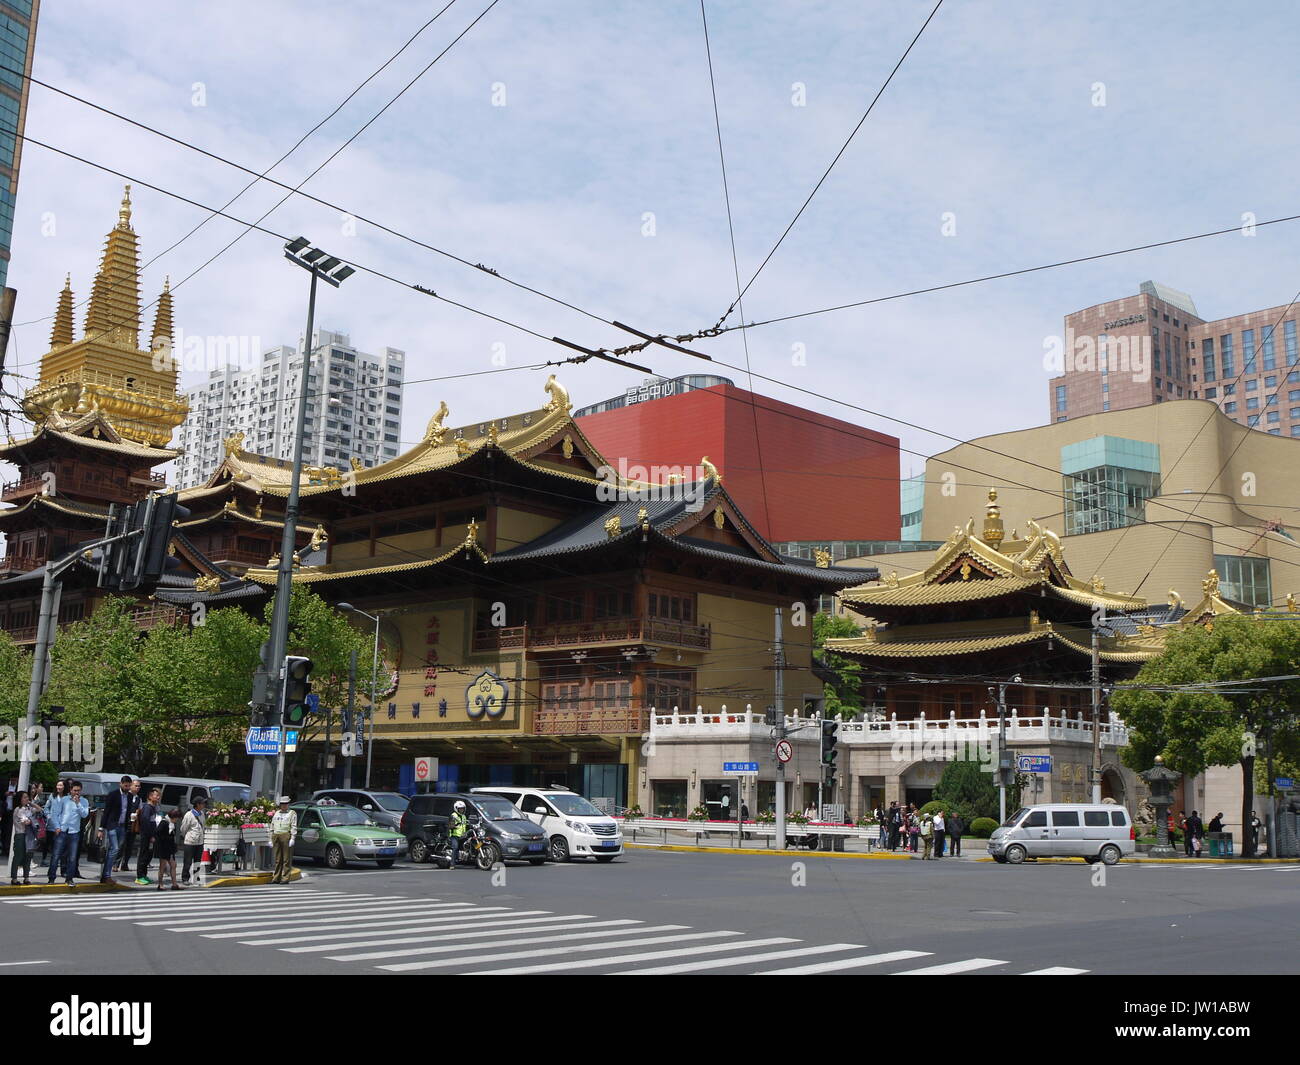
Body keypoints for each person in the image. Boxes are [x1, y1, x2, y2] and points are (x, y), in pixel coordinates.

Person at [47, 780, 88, 887]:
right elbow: (55, 813)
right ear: (70, 790)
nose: (76, 793)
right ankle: (51, 878)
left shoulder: (84, 801)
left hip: (74, 832)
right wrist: (56, 827)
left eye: (78, 791)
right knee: (56, 855)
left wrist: (78, 803)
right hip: (62, 830)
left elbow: (84, 815)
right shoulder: (64, 800)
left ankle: (69, 878)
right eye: (74, 790)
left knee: (72, 857)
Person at [98, 775, 134, 883]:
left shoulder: (130, 796)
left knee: (115, 850)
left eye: (129, 786)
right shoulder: (113, 794)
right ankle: (106, 875)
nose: (127, 788)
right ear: (121, 784)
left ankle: (105, 874)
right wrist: (101, 828)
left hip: (122, 825)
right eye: (125, 785)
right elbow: (107, 811)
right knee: (114, 849)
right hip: (112, 825)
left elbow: (127, 811)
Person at [135, 788, 161, 885]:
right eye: (156, 795)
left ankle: (144, 875)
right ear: (150, 796)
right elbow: (145, 823)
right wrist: (150, 836)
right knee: (143, 855)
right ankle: (139, 876)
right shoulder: (147, 807)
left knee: (148, 856)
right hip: (146, 836)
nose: (158, 797)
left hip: (151, 835)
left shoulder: (153, 807)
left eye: (159, 796)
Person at [9, 791, 35, 885]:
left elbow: (40, 809)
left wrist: (31, 803)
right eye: (24, 797)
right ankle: (14, 878)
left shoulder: (28, 808)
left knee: (28, 856)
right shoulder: (18, 809)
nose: (26, 799)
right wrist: (31, 820)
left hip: (28, 835)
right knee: (18, 856)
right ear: (19, 799)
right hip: (20, 835)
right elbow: (26, 821)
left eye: (27, 797)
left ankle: (26, 877)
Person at [269, 797, 297, 884]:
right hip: (276, 835)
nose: (283, 806)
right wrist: (270, 838)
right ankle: (276, 878)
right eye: (282, 804)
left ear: (288, 804)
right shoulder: (277, 813)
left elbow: (294, 826)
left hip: (285, 835)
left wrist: (293, 838)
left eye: (285, 804)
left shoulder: (292, 813)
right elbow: (272, 825)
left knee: (286, 859)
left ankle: (285, 878)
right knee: (277, 859)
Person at [38, 779, 65, 868]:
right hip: (51, 824)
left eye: (61, 785)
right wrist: (49, 816)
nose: (59, 787)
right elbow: (46, 808)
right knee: (47, 842)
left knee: (58, 843)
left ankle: (56, 860)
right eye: (58, 785)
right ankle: (44, 859)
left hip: (62, 824)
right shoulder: (52, 796)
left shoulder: (67, 797)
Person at [153, 808, 182, 891]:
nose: (177, 820)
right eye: (177, 818)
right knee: (162, 866)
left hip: (169, 848)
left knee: (173, 865)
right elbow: (157, 833)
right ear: (174, 817)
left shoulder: (171, 824)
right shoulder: (164, 822)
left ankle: (174, 884)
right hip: (163, 848)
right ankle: (160, 884)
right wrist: (166, 839)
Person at [179, 797, 207, 884]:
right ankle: (185, 878)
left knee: (197, 861)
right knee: (187, 861)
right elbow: (183, 828)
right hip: (190, 842)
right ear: (197, 805)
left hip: (200, 842)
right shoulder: (189, 815)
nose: (203, 805)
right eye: (202, 803)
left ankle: (196, 876)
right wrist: (189, 836)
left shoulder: (201, 814)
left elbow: (203, 826)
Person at [118, 779, 142, 872]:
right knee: (121, 844)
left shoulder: (138, 799)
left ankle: (125, 864)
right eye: (136, 785)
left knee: (130, 845)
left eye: (139, 786)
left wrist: (137, 813)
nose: (138, 788)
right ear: (131, 786)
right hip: (123, 823)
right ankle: (116, 864)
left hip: (133, 824)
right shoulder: (125, 796)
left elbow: (140, 809)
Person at [447, 800, 469, 868]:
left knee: (469, 843)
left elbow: (466, 825)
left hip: (462, 836)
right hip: (454, 835)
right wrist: (454, 826)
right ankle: (452, 864)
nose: (462, 810)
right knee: (455, 847)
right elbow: (450, 825)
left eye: (463, 809)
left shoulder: (464, 816)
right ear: (456, 809)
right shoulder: (453, 816)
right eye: (460, 809)